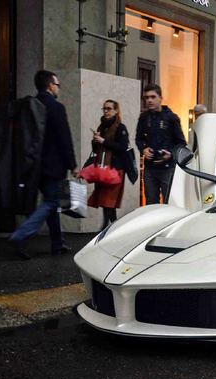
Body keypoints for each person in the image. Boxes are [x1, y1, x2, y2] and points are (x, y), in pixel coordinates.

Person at [8, 70, 78, 259]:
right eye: (57, 84)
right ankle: (21, 234)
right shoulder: (56, 107)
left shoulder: (29, 105)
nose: (58, 88)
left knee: (52, 203)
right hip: (53, 167)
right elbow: (64, 138)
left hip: (33, 166)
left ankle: (57, 243)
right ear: (50, 86)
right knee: (51, 202)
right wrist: (73, 164)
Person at [135, 84, 186, 205]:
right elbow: (138, 139)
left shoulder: (171, 117)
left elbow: (182, 143)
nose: (149, 100)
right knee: (151, 203)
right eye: (146, 98)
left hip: (168, 168)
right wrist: (144, 149)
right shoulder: (144, 117)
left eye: (153, 97)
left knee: (170, 202)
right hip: (150, 168)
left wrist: (171, 154)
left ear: (160, 98)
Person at [87, 100, 129, 229]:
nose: (106, 111)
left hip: (115, 169)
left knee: (108, 202)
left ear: (116, 111)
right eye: (104, 108)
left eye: (109, 109)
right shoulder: (102, 127)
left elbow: (122, 147)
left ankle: (104, 229)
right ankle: (114, 229)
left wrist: (104, 141)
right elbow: (96, 150)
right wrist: (95, 140)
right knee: (107, 203)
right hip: (103, 169)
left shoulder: (120, 128)